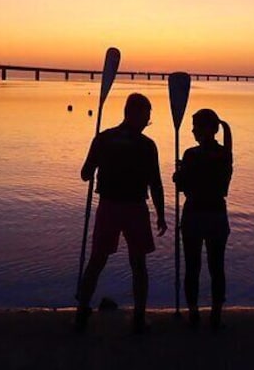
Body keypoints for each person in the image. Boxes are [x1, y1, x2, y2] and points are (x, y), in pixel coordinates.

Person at [75, 93, 168, 334]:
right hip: (134, 209)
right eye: (147, 114)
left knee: (97, 261)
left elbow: (85, 174)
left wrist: (97, 160)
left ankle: (82, 311)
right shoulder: (147, 145)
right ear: (135, 113)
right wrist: (160, 214)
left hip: (109, 207)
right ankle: (138, 317)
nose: (149, 119)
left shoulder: (104, 138)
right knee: (138, 265)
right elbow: (155, 183)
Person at [173, 109, 232, 331]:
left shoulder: (191, 155)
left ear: (208, 129)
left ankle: (193, 312)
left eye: (196, 125)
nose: (192, 130)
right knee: (217, 267)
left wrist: (179, 175)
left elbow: (183, 187)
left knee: (192, 267)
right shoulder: (225, 154)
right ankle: (215, 314)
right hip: (216, 214)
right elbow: (222, 182)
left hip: (195, 215)